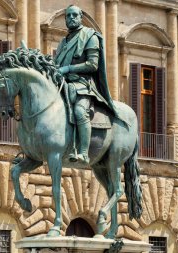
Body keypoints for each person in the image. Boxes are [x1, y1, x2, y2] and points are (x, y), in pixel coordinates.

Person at [54, 5, 119, 165]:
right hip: (63, 84)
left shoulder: (91, 36)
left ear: (81, 16)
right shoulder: (64, 42)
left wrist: (68, 68)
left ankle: (83, 152)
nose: (71, 18)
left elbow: (92, 65)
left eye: (74, 15)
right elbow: (56, 64)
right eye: (68, 16)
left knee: (80, 110)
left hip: (83, 85)